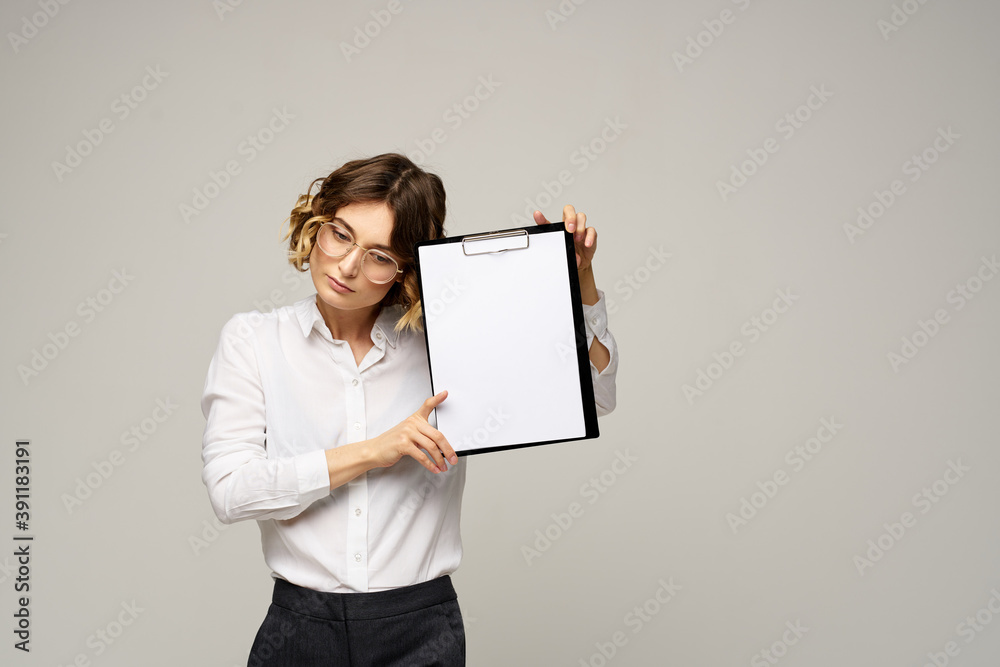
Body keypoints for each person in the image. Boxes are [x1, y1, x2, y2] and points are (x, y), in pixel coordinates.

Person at [199, 153, 619, 666]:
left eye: (379, 255)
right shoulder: (254, 341)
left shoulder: (444, 342)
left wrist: (582, 284)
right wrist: (376, 450)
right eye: (341, 234)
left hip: (420, 630)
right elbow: (230, 492)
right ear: (315, 226)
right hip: (298, 629)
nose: (348, 265)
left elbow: (595, 396)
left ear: (403, 271)